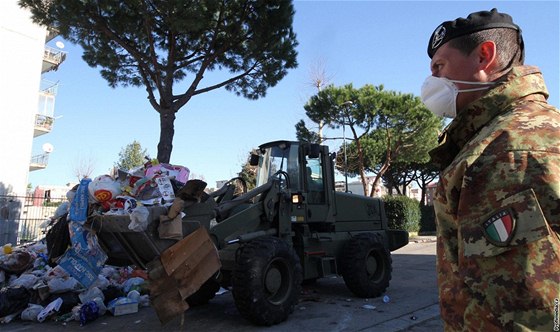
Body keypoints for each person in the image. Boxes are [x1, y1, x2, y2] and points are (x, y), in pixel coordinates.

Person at [421, 8, 560, 331]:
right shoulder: (531, 128)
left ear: (484, 56)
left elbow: (521, 310)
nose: (432, 81)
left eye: (439, 66)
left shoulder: (505, 150)